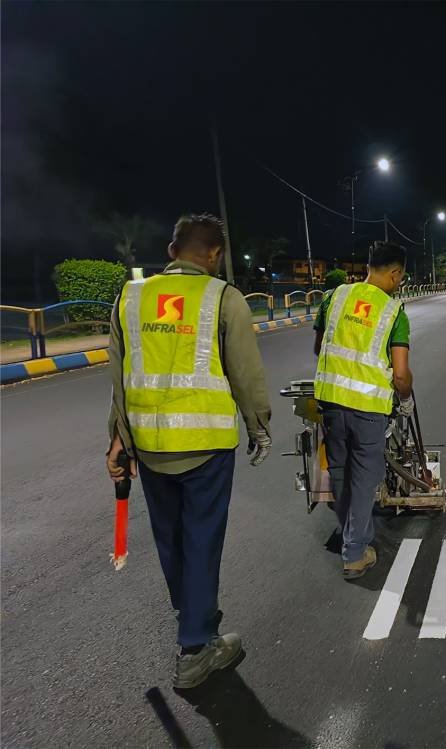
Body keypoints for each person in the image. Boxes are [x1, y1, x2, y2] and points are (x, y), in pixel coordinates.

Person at [106, 213, 272, 689]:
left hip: (150, 448)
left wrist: (117, 439)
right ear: (215, 255)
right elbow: (246, 375)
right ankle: (196, 648)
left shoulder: (131, 297)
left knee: (172, 542)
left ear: (172, 249)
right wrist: (259, 428)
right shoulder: (224, 297)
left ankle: (195, 622)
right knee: (201, 542)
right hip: (206, 447)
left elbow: (118, 377)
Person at [312, 241, 413, 580]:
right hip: (369, 409)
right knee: (365, 479)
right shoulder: (393, 311)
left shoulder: (335, 297)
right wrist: (407, 397)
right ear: (395, 274)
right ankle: (355, 552)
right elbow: (400, 373)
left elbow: (319, 347)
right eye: (400, 277)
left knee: (340, 473)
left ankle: (350, 536)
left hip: (330, 402)